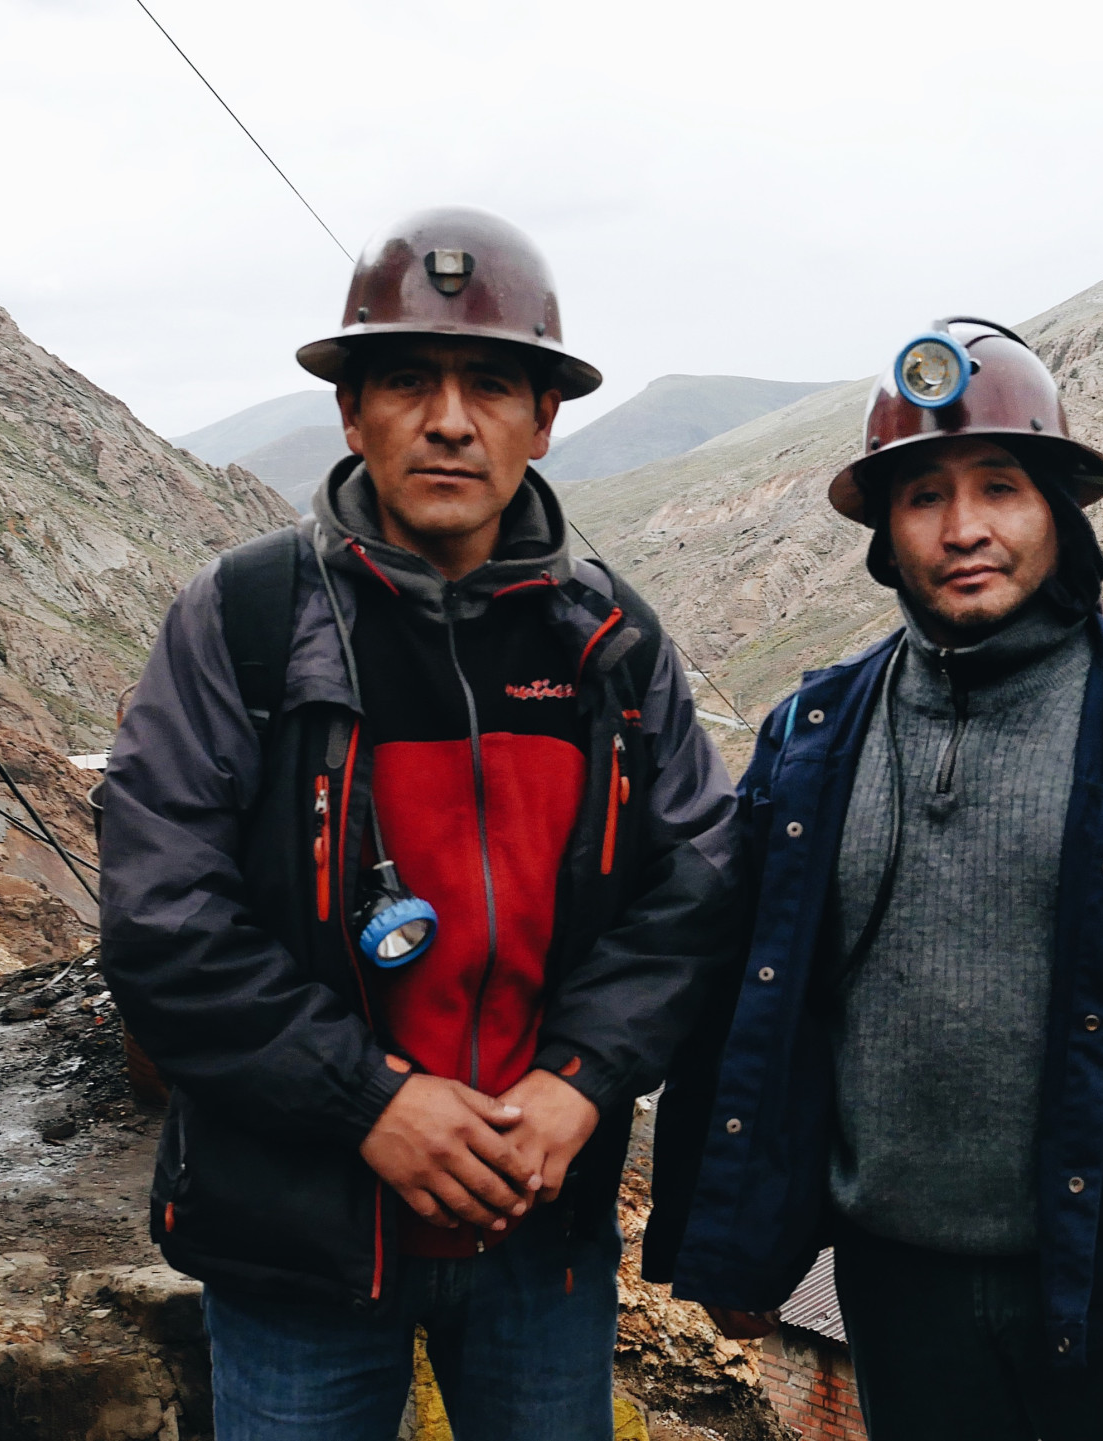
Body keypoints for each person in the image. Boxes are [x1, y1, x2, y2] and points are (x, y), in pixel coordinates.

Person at [644, 319, 1103, 1439]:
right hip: (897, 1286)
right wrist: (732, 1229)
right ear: (885, 534)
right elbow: (739, 1003)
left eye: (999, 486)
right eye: (924, 497)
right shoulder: (811, 734)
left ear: (1056, 508)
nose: (964, 529)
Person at [100, 207, 741, 1441]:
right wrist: (373, 1105)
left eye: (491, 384)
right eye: (407, 381)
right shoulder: (242, 620)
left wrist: (579, 1082)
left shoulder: (608, 644)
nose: (450, 419)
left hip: (535, 1232)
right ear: (354, 412)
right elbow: (163, 918)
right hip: (296, 1242)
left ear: (543, 419)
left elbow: (697, 885)